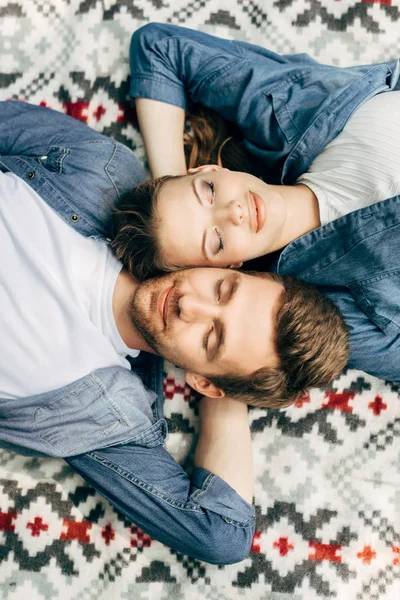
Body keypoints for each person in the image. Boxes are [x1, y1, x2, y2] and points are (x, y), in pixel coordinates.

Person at [0, 100, 348, 564]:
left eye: (211, 338)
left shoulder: (108, 422)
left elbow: (220, 534)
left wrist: (228, 394)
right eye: (223, 288)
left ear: (204, 381)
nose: (190, 305)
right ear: (230, 265)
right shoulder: (106, 173)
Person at [112, 22, 400, 384]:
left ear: (210, 168)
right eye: (215, 240)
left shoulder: (290, 114)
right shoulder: (316, 312)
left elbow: (160, 47)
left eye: (210, 191)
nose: (234, 212)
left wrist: (174, 180)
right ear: (229, 266)